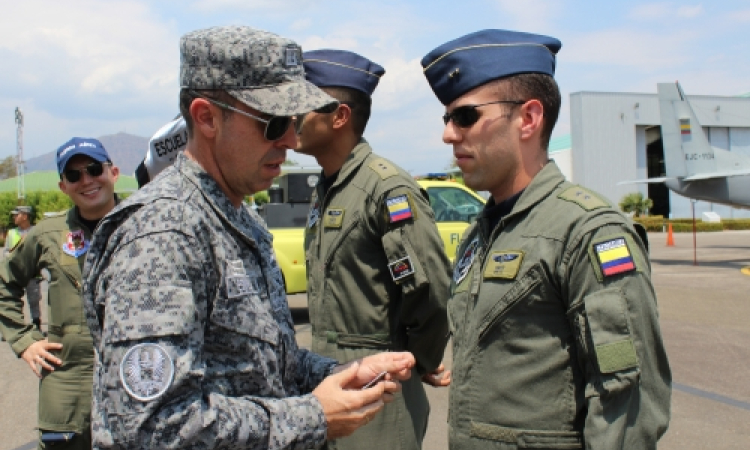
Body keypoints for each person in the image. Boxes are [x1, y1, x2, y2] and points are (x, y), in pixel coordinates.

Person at [82, 25, 416, 450]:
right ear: (206, 118)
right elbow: (153, 425)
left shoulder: (238, 218)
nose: (291, 141)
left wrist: (339, 375)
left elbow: (265, 364)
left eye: (294, 122)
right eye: (273, 124)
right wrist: (313, 416)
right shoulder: (162, 232)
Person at [420, 30, 672, 449]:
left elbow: (628, 404)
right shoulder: (478, 235)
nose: (449, 134)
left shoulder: (589, 233)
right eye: (447, 120)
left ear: (529, 118)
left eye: (465, 117)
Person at [295, 49, 452, 450]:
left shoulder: (386, 189)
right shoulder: (329, 188)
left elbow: (430, 290)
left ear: (340, 117)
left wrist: (418, 360)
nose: (292, 116)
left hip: (380, 393)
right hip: (332, 383)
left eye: (303, 106)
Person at [0, 137, 120, 449]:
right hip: (68, 387)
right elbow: (4, 283)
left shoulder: (145, 226)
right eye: (74, 175)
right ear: (63, 186)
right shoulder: (48, 235)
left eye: (94, 169)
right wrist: (26, 341)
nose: (87, 180)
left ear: (114, 173)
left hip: (132, 382)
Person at [4, 205, 43, 332]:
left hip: (33, 274)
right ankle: (13, 326)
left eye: (17, 214)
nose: (14, 217)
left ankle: (36, 324)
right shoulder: (12, 233)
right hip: (16, 274)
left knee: (34, 300)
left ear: (25, 216)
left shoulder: (37, 231)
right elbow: (5, 252)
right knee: (13, 299)